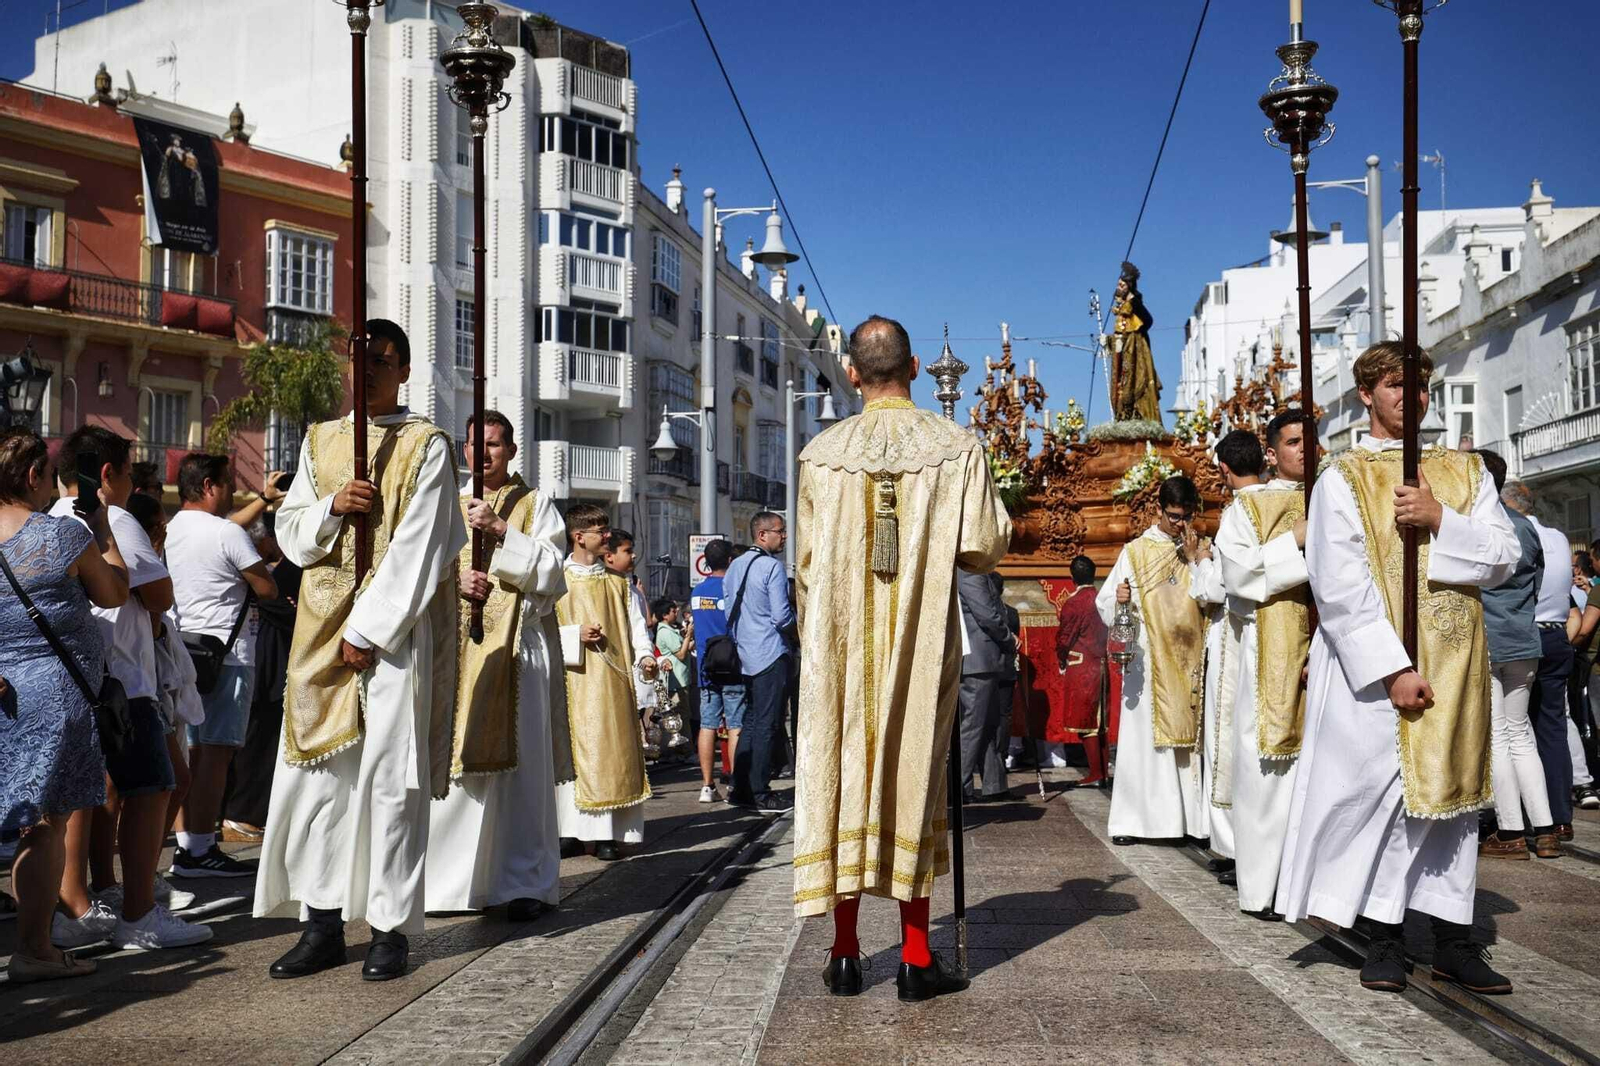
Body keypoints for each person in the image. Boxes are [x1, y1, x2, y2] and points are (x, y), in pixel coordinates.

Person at [1278, 341, 1519, 996]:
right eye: (1392, 386)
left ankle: (1452, 939)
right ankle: (1380, 935)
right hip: (1378, 677)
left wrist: (1442, 519)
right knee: (1380, 801)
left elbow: (1503, 556)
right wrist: (1390, 669)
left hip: (1456, 663)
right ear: (1365, 394)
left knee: (1450, 805)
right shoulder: (1343, 477)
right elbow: (1338, 582)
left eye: (1418, 386)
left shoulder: (1468, 473)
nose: (1407, 398)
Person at [793, 314, 1010, 1002]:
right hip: (918, 636)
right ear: (916, 370)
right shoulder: (956, 446)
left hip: (842, 641)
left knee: (844, 770)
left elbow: (802, 566)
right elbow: (983, 543)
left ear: (852, 374)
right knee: (916, 770)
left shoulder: (820, 454)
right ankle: (916, 959)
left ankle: (848, 953)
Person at [255, 317, 466, 981]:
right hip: (319, 631)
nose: (369, 368)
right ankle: (319, 924)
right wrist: (332, 507)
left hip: (391, 638)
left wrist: (368, 630)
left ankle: (389, 931)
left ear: (404, 369)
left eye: (383, 358)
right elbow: (292, 535)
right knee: (318, 783)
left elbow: (421, 544)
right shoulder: (320, 440)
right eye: (360, 358)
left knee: (387, 784)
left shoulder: (425, 444)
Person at [50, 426, 209, 949]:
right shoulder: (114, 520)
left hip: (74, 674)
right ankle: (140, 913)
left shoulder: (45, 519)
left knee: (82, 795)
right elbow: (159, 594)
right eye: (123, 473)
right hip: (124, 674)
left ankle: (78, 903)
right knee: (153, 788)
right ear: (106, 474)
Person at [0, 428, 128, 982]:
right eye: (50, 475)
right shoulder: (60, 538)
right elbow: (115, 591)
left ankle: (33, 944)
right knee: (45, 826)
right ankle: (34, 950)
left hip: (6, 693)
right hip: (53, 697)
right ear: (33, 476)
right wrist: (101, 528)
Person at [427, 409, 566, 920]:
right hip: (454, 649)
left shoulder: (536, 505)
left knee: (521, 770)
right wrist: (453, 581)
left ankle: (523, 882)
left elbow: (553, 574)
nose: (481, 453)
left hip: (517, 650)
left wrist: (502, 530)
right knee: (453, 762)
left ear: (510, 450)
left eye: (492, 444)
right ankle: (449, 886)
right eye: (473, 445)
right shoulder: (444, 500)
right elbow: (421, 561)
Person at [1213, 413, 1311, 919]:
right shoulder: (1248, 509)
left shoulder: (1341, 492)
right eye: (1293, 442)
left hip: (1335, 646)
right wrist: (1295, 541)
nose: (1304, 449)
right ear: (1271, 453)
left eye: (1310, 439)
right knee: (1270, 766)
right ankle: (1264, 887)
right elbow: (1239, 576)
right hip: (1272, 644)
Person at [165, 453, 279, 877]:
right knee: (215, 756)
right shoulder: (227, 534)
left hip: (182, 651)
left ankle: (185, 844)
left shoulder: (171, 528)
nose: (232, 492)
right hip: (227, 657)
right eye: (228, 484)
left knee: (187, 749)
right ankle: (200, 850)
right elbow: (266, 589)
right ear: (210, 486)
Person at [1097, 474, 1221, 845]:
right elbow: (1104, 602)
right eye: (1172, 516)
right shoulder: (1135, 552)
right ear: (1158, 510)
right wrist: (1119, 600)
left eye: (1185, 517)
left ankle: (1191, 824)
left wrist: (1198, 559)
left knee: (1190, 745)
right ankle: (1135, 822)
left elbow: (1212, 595)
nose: (1179, 524)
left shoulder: (1201, 547)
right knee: (1145, 743)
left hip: (1191, 657)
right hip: (1150, 662)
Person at [554, 503, 656, 862]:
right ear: (579, 537)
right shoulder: (555, 578)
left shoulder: (618, 583)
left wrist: (644, 655)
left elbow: (635, 626)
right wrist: (573, 634)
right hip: (569, 680)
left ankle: (608, 833)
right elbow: (539, 628)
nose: (608, 535)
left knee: (610, 753)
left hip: (611, 682)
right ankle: (570, 831)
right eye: (600, 530)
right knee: (568, 756)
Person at [1473, 459, 1558, 859]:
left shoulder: (1475, 525)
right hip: (1524, 639)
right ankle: (1544, 829)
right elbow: (1537, 584)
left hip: (1490, 641)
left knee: (1498, 735)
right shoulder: (1525, 526)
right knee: (1520, 733)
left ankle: (1509, 831)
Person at [123, 491, 197, 915]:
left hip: (150, 683)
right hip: (137, 686)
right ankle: (136, 882)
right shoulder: (137, 559)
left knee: (169, 781)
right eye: (158, 530)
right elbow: (155, 608)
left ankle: (141, 876)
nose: (163, 536)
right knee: (165, 781)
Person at [1201, 429, 1266, 883]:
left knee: (1232, 740)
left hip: (1239, 633)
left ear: (1224, 469)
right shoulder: (1293, 502)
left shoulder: (1238, 511)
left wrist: (1198, 563)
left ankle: (1234, 847)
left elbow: (1221, 585)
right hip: (1291, 633)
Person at [222, 512, 301, 838]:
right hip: (266, 661)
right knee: (257, 742)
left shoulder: (278, 568)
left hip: (267, 659)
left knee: (260, 740)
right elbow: (277, 604)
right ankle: (241, 815)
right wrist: (297, 612)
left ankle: (245, 813)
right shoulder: (270, 571)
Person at [1517, 488, 1581, 837]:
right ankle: (1560, 817)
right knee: (1553, 727)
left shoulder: (1513, 531)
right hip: (1557, 634)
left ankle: (1524, 819)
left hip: (1524, 634)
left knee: (1513, 729)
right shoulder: (1558, 536)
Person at [723, 512, 795, 812]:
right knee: (767, 723)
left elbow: (728, 611)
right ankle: (760, 790)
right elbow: (781, 616)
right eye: (780, 531)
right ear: (762, 535)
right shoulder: (771, 567)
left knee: (751, 721)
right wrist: (799, 628)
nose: (784, 537)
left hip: (745, 654)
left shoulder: (734, 566)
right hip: (770, 652)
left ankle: (741, 788)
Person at [691, 538, 743, 802]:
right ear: (730, 561)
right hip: (733, 665)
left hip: (706, 669)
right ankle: (734, 783)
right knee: (735, 725)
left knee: (708, 725)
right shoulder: (731, 589)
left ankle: (707, 785)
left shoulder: (697, 593)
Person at [957, 569, 1014, 803]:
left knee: (989, 724)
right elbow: (987, 615)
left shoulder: (974, 572)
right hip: (977, 661)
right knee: (973, 726)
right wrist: (1008, 637)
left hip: (986, 660)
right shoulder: (970, 573)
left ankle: (994, 784)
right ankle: (959, 786)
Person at [1054, 555, 1109, 784]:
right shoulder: (1101, 598)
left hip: (1082, 665)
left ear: (1072, 577)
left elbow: (1065, 637)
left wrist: (1061, 658)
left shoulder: (1073, 603)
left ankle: (1096, 773)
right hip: (1102, 664)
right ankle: (1102, 772)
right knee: (1100, 722)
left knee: (1087, 723)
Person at [1108, 261, 1161, 422]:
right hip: (1124, 355)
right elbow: (1120, 335)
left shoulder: (1135, 306)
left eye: (1122, 285)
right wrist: (1109, 341)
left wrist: (1134, 334)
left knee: (1136, 382)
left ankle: (1138, 413)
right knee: (1121, 383)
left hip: (1136, 352)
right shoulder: (1121, 311)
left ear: (1129, 287)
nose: (1119, 287)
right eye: (1118, 284)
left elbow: (1148, 321)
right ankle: (1124, 414)